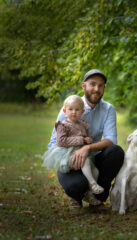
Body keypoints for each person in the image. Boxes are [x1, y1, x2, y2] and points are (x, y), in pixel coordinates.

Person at [47, 69, 124, 209]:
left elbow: (111, 140)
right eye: (92, 84)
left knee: (116, 152)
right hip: (69, 157)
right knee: (77, 185)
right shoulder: (71, 106)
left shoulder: (108, 109)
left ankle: (98, 197)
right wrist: (70, 157)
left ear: (104, 88)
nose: (96, 89)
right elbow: (54, 141)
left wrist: (87, 147)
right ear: (84, 86)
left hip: (92, 158)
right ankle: (76, 196)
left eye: (101, 85)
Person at [43, 95, 104, 205]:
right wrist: (81, 139)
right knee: (85, 161)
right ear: (64, 111)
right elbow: (61, 141)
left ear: (82, 112)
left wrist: (88, 140)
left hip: (82, 152)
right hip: (67, 153)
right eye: (70, 109)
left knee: (95, 170)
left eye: (77, 110)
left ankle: (89, 192)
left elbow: (86, 138)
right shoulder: (62, 125)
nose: (74, 112)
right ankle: (93, 184)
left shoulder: (83, 125)